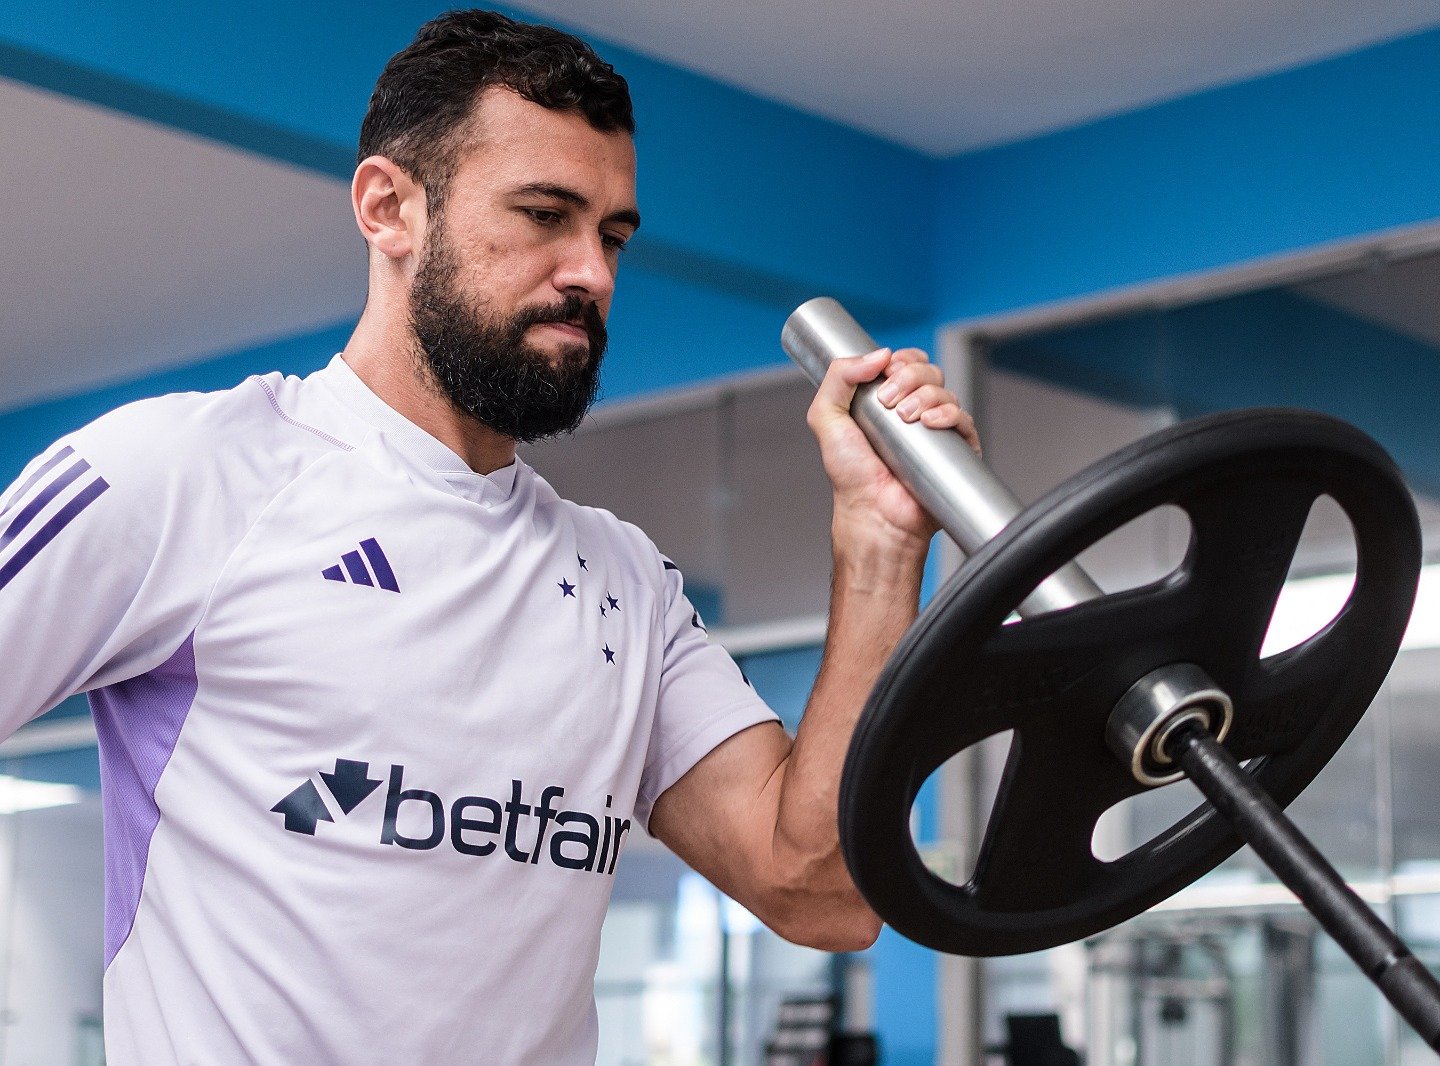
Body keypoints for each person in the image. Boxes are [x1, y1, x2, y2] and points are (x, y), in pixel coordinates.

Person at [0, 9, 976, 1063]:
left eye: (610, 235)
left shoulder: (625, 583)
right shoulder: (182, 475)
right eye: (544, 214)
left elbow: (820, 891)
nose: (591, 273)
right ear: (388, 208)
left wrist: (877, 546)